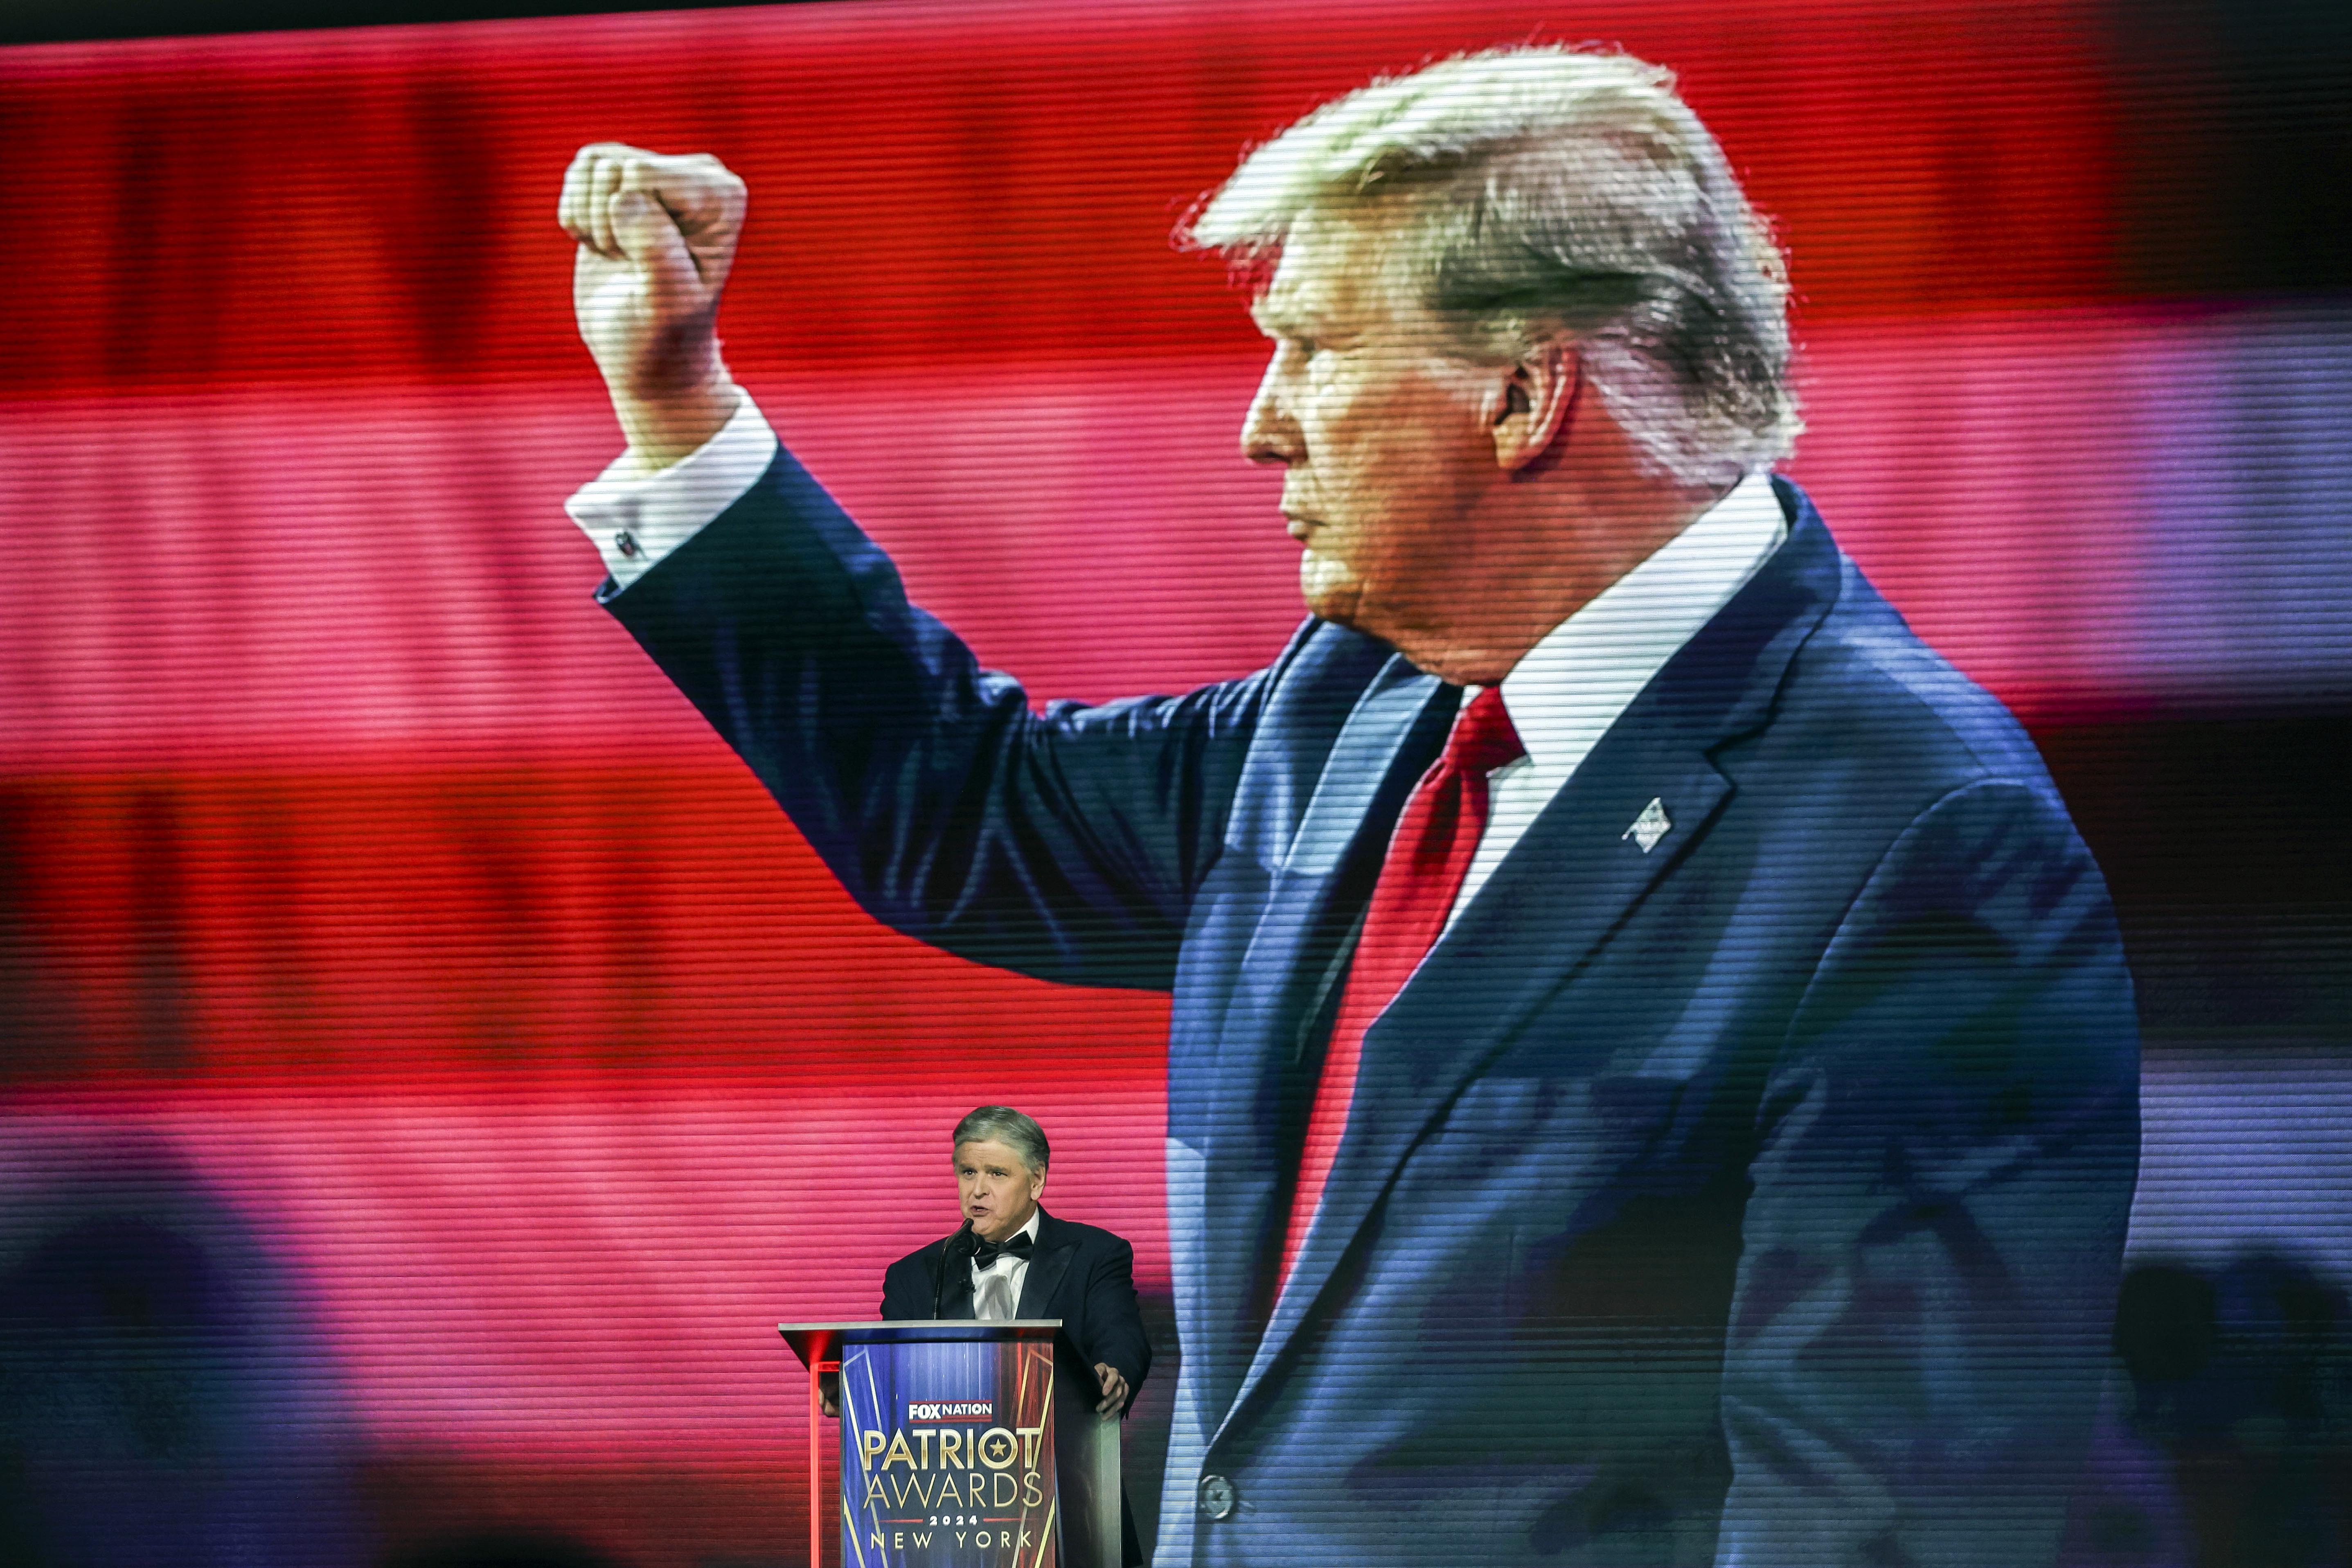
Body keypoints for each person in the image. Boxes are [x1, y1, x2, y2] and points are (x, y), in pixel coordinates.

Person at [557, 46, 2140, 1567]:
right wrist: (677, 406)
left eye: (1310, 347)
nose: (1261, 420)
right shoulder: (1355, 701)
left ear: (1523, 398)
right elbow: (970, 814)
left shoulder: (1918, 837)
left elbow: (1871, 1525)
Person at [877, 1106, 1154, 1563]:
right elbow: (889, 1371)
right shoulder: (915, 1275)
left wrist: (1116, 1371)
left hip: (1070, 1499)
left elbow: (1121, 1336)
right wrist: (845, 1389)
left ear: (1036, 1181)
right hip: (947, 1512)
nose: (978, 1189)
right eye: (968, 1171)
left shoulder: (1096, 1254)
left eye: (997, 1173)